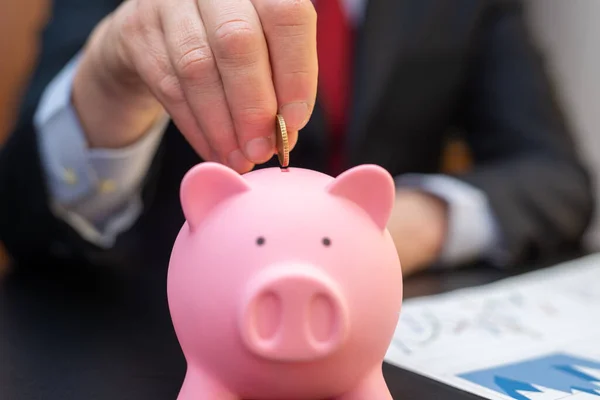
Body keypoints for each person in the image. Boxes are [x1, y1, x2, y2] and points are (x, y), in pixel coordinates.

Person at [0, 0, 594, 276]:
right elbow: (22, 216)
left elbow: (555, 175)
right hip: (148, 329)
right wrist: (108, 82)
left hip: (383, 313)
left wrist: (406, 226)